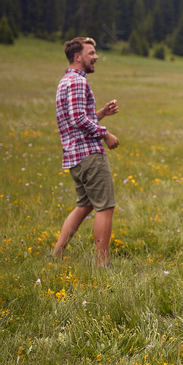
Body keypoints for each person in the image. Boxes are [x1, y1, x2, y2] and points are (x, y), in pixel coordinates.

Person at [51, 37, 121, 267]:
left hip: (74, 156)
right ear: (77, 57)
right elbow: (78, 119)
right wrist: (105, 133)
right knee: (106, 207)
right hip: (89, 154)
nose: (96, 56)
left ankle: (57, 254)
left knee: (85, 204)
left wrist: (101, 112)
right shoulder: (78, 82)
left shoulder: (65, 81)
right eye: (91, 53)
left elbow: (77, 118)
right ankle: (103, 264)